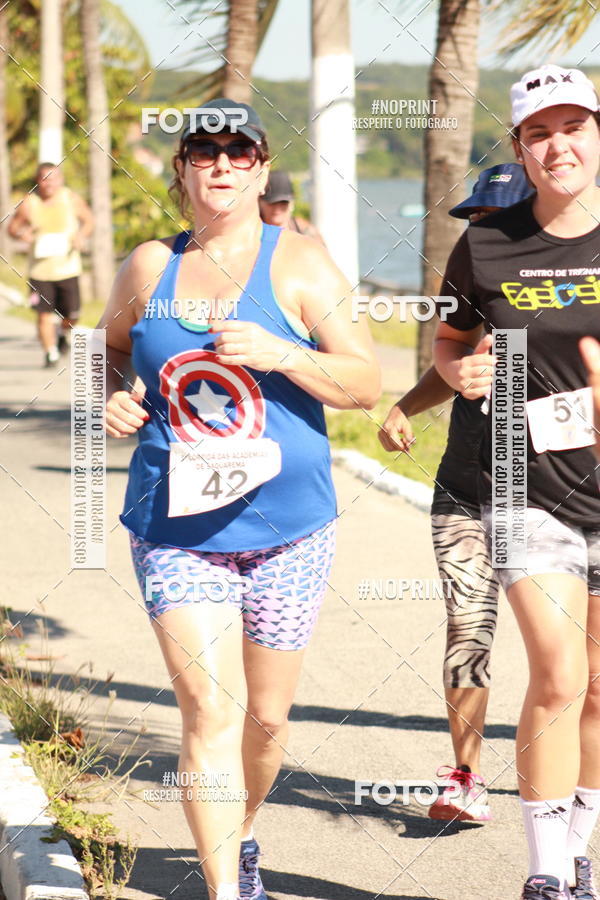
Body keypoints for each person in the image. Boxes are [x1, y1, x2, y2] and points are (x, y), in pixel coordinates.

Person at [99, 98, 380, 900]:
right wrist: (118, 396)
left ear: (260, 169)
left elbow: (364, 382)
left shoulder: (298, 264)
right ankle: (226, 889)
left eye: (238, 152)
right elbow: (110, 350)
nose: (220, 164)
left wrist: (284, 352)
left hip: (290, 532)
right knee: (209, 717)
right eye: (203, 151)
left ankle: (244, 833)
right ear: (183, 168)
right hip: (175, 528)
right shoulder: (149, 265)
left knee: (263, 724)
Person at [433, 66, 600, 900]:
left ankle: (579, 852)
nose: (557, 145)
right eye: (539, 133)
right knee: (560, 674)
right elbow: (450, 338)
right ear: (520, 150)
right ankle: (543, 875)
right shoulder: (488, 241)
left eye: (573, 127)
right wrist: (460, 372)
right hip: (525, 488)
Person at [378, 163, 531, 825]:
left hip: (555, 496)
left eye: (496, 220)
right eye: (475, 220)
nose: (482, 232)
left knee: (575, 662)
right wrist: (405, 406)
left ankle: (561, 803)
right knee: (467, 633)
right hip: (467, 489)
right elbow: (453, 353)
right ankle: (466, 775)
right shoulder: (473, 270)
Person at [8, 163, 93, 367]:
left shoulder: (70, 199)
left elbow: (89, 220)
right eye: (45, 179)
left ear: (61, 179)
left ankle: (63, 334)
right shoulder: (30, 203)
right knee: (43, 314)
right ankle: (50, 353)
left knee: (72, 316)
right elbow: (12, 228)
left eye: (53, 178)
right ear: (38, 181)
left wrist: (81, 236)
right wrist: (22, 234)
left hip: (68, 268)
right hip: (40, 271)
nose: (49, 184)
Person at [258, 170, 324, 243]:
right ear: (260, 202)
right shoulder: (252, 233)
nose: (277, 208)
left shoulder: (305, 231)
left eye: (283, 202)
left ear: (292, 203)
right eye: (272, 202)